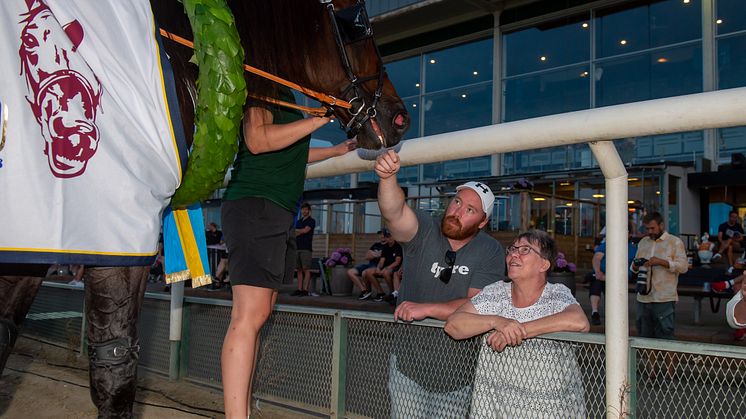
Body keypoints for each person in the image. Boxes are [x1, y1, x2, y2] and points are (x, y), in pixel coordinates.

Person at [219, 87, 355, 417]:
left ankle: (243, 411)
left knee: (261, 313)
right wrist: (319, 118)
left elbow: (291, 151)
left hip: (278, 211)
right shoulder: (263, 88)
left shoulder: (287, 99)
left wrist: (336, 151)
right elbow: (258, 140)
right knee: (247, 316)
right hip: (256, 205)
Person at [374, 149, 505, 418]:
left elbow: (476, 305)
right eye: (457, 202)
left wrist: (427, 309)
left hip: (457, 376)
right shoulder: (425, 229)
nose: (457, 212)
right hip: (407, 367)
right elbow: (394, 213)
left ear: (483, 222)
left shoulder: (490, 250)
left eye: (470, 210)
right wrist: (388, 178)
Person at [445, 230, 590, 418]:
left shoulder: (556, 294)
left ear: (544, 264)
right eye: (512, 249)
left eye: (525, 250)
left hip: (549, 409)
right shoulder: (495, 292)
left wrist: (515, 331)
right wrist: (497, 321)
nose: (513, 254)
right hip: (496, 407)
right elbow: (453, 325)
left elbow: (579, 321)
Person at [630, 211, 688, 339]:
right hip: (643, 297)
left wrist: (661, 262)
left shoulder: (675, 242)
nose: (650, 231)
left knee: (666, 337)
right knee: (644, 337)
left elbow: (683, 267)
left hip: (664, 298)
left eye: (652, 228)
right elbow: (633, 267)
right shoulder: (643, 242)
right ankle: (651, 360)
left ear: (661, 225)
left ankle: (670, 360)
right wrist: (635, 266)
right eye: (647, 228)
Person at [589, 225, 637, 325]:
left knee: (608, 283)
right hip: (602, 274)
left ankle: (612, 315)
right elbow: (597, 258)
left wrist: (608, 277)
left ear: (630, 234)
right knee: (596, 281)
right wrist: (598, 271)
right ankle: (595, 312)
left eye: (626, 232)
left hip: (620, 277)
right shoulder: (608, 244)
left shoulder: (633, 249)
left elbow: (632, 268)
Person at [361, 230, 402, 301]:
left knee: (385, 272)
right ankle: (381, 292)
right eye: (387, 237)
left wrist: (386, 268)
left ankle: (392, 293)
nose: (389, 238)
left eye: (390, 236)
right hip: (385, 267)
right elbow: (381, 261)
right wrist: (378, 268)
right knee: (367, 272)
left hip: (394, 267)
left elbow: (397, 262)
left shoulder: (398, 246)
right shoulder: (385, 247)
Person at [348, 230, 386, 299]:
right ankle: (364, 290)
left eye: (383, 234)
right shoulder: (375, 245)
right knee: (350, 272)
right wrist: (376, 254)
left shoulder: (388, 245)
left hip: (378, 266)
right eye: (380, 234)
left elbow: (382, 257)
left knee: (364, 272)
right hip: (370, 264)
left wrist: (373, 254)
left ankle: (379, 292)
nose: (382, 236)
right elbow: (367, 257)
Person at [292, 203, 316, 297]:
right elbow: (295, 233)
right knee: (298, 269)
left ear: (309, 210)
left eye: (306, 209)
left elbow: (306, 231)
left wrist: (298, 231)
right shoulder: (298, 221)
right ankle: (299, 289)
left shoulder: (311, 221)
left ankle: (305, 290)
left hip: (306, 248)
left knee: (306, 269)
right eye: (303, 209)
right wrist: (299, 231)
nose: (304, 211)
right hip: (297, 247)